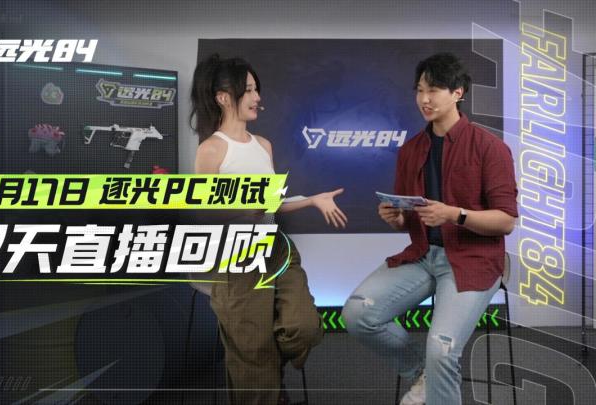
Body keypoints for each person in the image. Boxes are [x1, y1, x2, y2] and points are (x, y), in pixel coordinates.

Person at [342, 53, 518, 405]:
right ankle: (421, 373)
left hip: (474, 259)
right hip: (424, 256)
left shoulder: (490, 148)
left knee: (442, 349)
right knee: (358, 313)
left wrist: (455, 214)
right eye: (420, 90)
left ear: (458, 93)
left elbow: (506, 221)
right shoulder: (411, 150)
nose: (424, 98)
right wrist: (397, 219)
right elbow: (410, 219)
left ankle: (434, 374)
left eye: (434, 90)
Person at [190, 53, 348, 404]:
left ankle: (269, 375)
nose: (257, 97)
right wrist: (248, 208)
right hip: (235, 257)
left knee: (303, 327)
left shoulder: (264, 145)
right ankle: (268, 386)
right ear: (223, 97)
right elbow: (206, 213)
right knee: (253, 358)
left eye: (256, 89)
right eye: (248, 90)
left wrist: (312, 200)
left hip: (275, 249)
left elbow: (273, 203)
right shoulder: (211, 149)